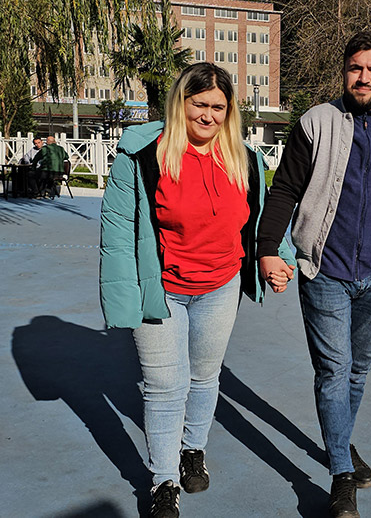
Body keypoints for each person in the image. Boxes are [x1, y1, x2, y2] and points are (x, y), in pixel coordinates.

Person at [99, 63, 295, 518]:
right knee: (165, 386)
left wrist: (277, 255)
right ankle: (163, 480)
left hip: (221, 284)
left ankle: (193, 450)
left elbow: (264, 215)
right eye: (199, 105)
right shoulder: (144, 153)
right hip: (162, 287)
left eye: (218, 108)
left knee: (205, 377)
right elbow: (117, 229)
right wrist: (121, 299)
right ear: (180, 104)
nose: (208, 116)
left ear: (230, 113)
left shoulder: (244, 158)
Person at [257, 31, 371, 518]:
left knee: (357, 372)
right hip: (325, 270)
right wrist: (269, 249)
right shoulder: (317, 123)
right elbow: (286, 188)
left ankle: (339, 442)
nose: (364, 77)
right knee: (333, 372)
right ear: (344, 72)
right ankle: (340, 475)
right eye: (356, 67)